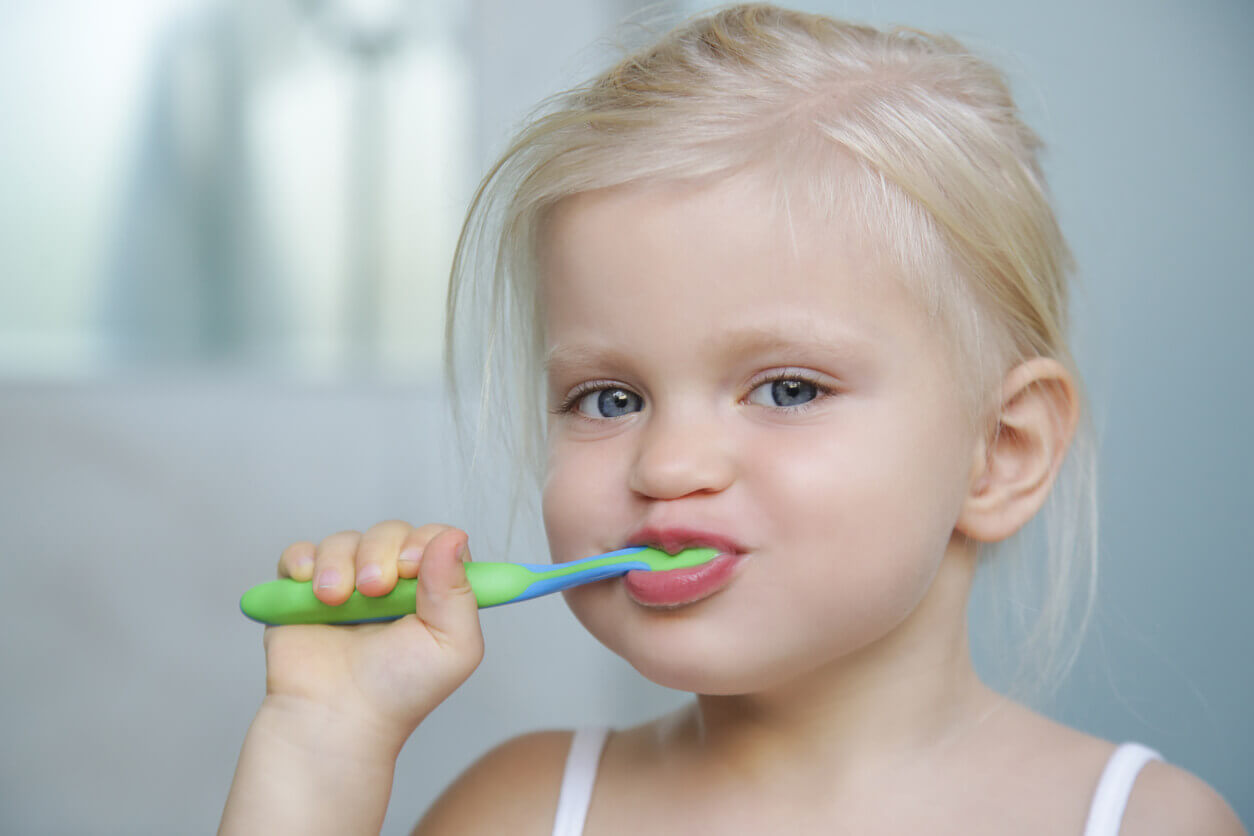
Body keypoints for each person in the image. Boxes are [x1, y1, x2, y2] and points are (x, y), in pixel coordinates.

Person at [219, 5, 1246, 834]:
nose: (668, 463)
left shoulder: (1142, 821)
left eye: (788, 388)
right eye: (609, 399)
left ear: (1001, 451)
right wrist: (323, 744)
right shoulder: (521, 810)